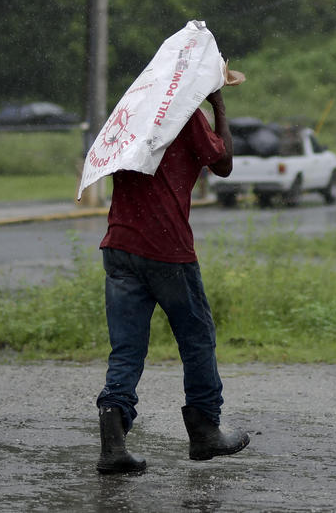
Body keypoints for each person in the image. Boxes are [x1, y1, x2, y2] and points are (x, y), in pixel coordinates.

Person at [95, 82, 249, 475]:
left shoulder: (129, 111)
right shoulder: (183, 115)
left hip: (119, 243)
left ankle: (113, 445)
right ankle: (205, 430)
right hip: (166, 248)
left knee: (126, 349)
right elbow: (224, 163)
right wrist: (218, 104)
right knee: (196, 337)